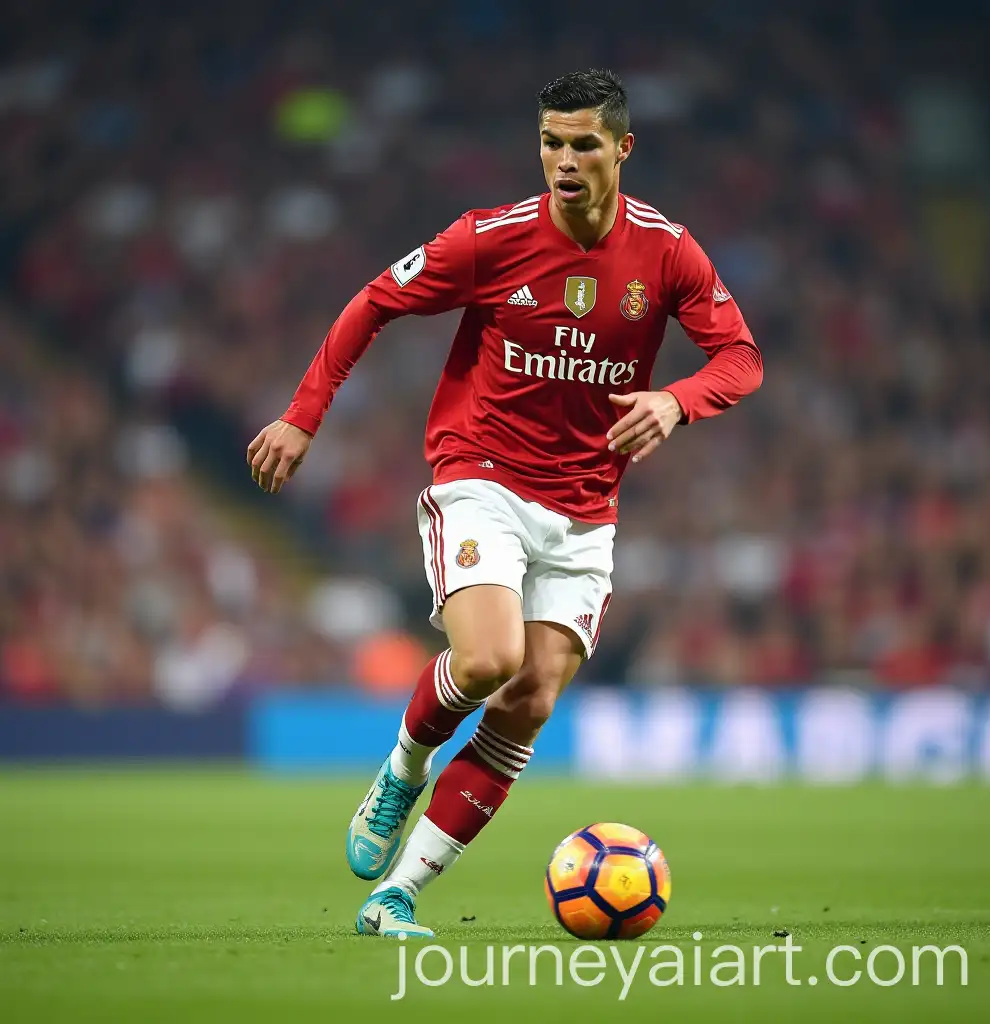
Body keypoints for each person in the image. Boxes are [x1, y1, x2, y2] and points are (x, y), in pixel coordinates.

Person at [246, 68, 763, 937]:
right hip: (482, 476)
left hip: (586, 509)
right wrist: (302, 417)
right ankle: (404, 766)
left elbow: (741, 358)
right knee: (488, 660)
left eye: (583, 144)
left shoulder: (668, 252)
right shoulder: (489, 239)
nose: (563, 161)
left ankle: (397, 894)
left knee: (529, 701)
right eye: (551, 143)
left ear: (623, 149)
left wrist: (678, 401)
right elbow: (374, 302)